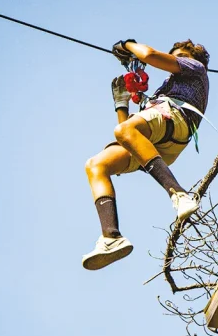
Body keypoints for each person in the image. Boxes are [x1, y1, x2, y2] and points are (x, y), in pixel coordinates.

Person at [83, 38, 210, 270]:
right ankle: (111, 237)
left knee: (125, 130)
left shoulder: (196, 69)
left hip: (176, 118)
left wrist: (128, 44)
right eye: (176, 55)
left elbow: (149, 54)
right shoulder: (164, 90)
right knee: (96, 165)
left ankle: (179, 194)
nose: (178, 58)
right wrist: (121, 104)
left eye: (182, 55)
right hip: (160, 141)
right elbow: (127, 137)